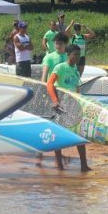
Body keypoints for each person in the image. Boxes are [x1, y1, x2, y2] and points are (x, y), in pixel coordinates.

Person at [46, 44, 90, 172]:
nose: (77, 57)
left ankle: (84, 166)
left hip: (74, 106)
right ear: (68, 54)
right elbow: (49, 84)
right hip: (62, 105)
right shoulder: (60, 67)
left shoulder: (75, 69)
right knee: (58, 136)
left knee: (79, 136)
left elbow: (76, 89)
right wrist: (55, 101)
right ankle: (59, 165)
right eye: (74, 54)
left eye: (78, 54)